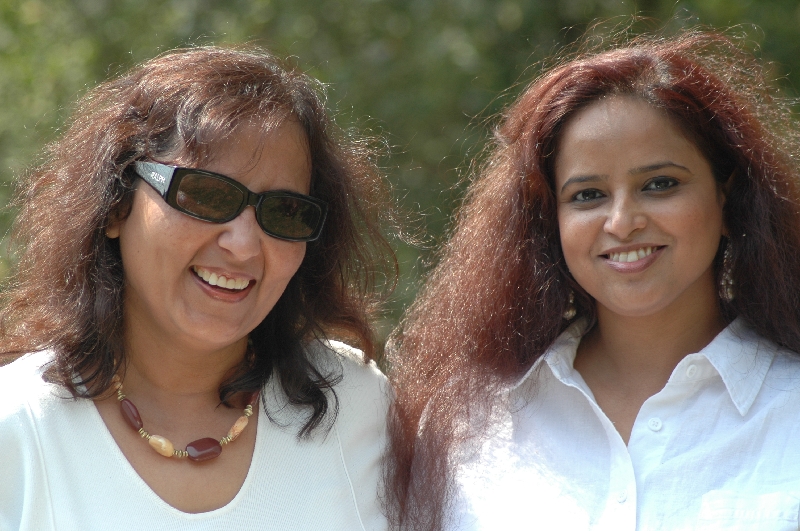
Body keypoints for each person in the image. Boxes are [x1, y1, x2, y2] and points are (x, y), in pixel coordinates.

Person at [384, 30, 800, 530]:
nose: (622, 222)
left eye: (660, 184)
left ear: (728, 200)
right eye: (587, 195)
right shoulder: (469, 423)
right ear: (550, 222)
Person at [0, 45, 395, 530]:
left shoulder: (358, 409)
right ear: (117, 206)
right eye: (206, 195)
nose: (243, 246)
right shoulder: (17, 430)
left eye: (284, 212)